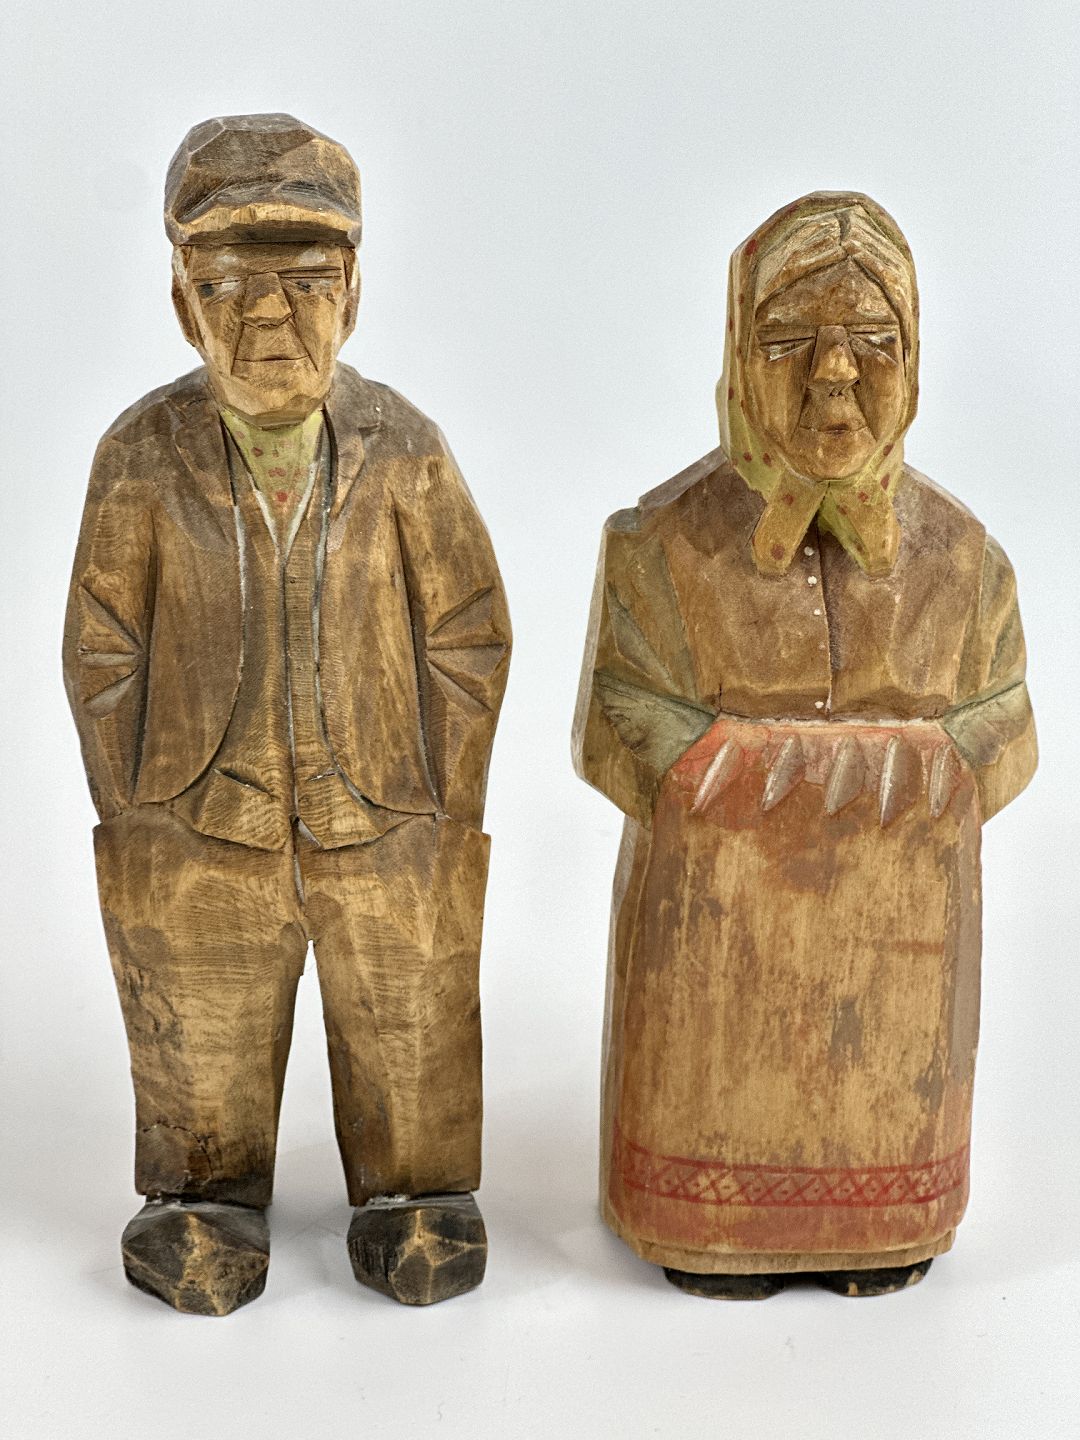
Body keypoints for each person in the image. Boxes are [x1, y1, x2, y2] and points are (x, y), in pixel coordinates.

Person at [64, 114, 510, 1314]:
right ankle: (201, 1195)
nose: (269, 317)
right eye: (228, 284)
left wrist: (439, 798)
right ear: (182, 301)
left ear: (354, 294)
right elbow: (101, 646)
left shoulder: (405, 450)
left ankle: (415, 1193)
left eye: (306, 282)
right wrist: (143, 807)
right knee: (201, 1025)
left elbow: (470, 632)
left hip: (385, 816)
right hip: (201, 824)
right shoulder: (140, 456)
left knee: (407, 1014)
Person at [573, 192, 1035, 1298]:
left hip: (903, 968)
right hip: (715, 960)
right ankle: (704, 1223)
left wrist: (918, 769)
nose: (835, 375)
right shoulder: (659, 547)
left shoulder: (966, 561)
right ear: (740, 356)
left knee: (892, 1115)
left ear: (914, 361)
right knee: (709, 1104)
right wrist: (777, 778)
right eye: (789, 341)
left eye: (873, 340)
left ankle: (888, 1219)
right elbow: (614, 725)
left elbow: (1007, 730)